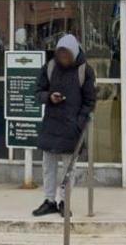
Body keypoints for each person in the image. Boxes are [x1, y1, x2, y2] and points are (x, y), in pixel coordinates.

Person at [32, 34, 96, 218]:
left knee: (69, 169)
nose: (63, 58)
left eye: (66, 54)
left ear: (74, 53)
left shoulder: (85, 71)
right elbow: (38, 91)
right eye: (60, 54)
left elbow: (90, 101)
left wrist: (79, 123)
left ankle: (64, 201)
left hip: (71, 128)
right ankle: (49, 200)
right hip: (51, 124)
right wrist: (49, 98)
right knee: (48, 165)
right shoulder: (50, 67)